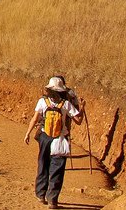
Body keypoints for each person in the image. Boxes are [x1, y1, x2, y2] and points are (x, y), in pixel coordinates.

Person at [23, 76, 84, 208]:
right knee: (57, 169)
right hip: (60, 139)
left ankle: (40, 194)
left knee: (43, 164)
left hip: (44, 137)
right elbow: (78, 121)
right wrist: (82, 109)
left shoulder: (42, 102)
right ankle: (52, 200)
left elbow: (35, 119)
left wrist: (28, 133)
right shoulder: (66, 104)